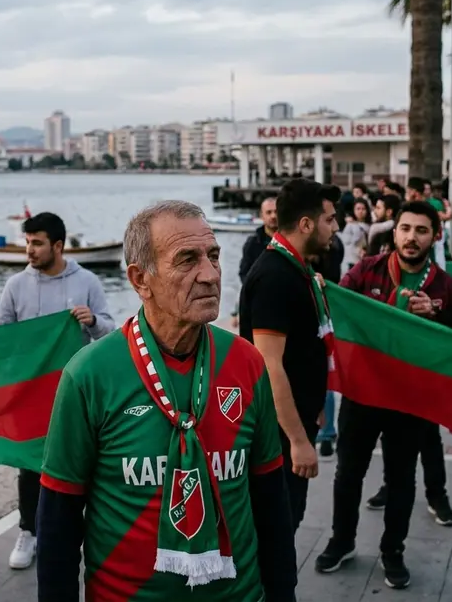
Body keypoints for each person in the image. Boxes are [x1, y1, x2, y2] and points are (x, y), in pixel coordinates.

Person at [36, 200, 297, 602]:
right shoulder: (89, 374)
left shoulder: (246, 362)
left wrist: (283, 593)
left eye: (213, 256)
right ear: (141, 280)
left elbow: (270, 500)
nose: (210, 275)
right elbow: (59, 517)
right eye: (187, 259)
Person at [315, 201, 452, 587]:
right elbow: (337, 307)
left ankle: (392, 551)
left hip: (411, 403)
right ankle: (341, 540)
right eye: (405, 228)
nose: (412, 237)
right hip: (363, 396)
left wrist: (435, 315)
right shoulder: (367, 270)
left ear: (435, 236)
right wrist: (320, 288)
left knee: (401, 479)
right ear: (393, 232)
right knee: (349, 473)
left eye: (421, 230)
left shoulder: (445, 287)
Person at [0, 211, 115, 570]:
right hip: (31, 394)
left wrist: (92, 321)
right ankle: (29, 532)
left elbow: (111, 331)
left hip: (76, 393)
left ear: (58, 245)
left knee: (82, 461)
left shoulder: (87, 281)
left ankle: (83, 530)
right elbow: (1, 336)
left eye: (37, 243)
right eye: (27, 242)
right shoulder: (16, 285)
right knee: (30, 465)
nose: (29, 250)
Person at [239, 178, 340, 533]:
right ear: (306, 224)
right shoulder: (275, 277)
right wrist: (298, 441)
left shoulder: (299, 269)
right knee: (277, 527)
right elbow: (269, 365)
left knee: (287, 520)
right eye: (330, 219)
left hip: (296, 423)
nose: (336, 227)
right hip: (278, 436)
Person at [238, 196, 278, 283]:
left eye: (276, 212)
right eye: (269, 212)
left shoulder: (291, 240)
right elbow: (244, 274)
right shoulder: (252, 244)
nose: (273, 216)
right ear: (261, 215)